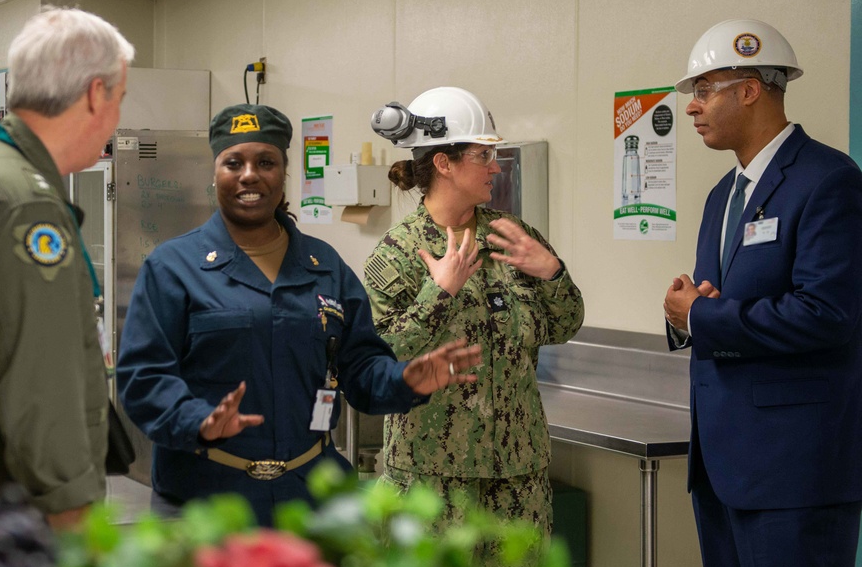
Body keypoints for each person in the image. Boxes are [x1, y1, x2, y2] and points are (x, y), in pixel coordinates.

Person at [115, 103, 482, 526]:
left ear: (283, 171)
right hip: (206, 503)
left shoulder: (323, 266)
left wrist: (405, 380)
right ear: (214, 173)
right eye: (233, 162)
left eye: (265, 162)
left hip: (310, 503)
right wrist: (198, 420)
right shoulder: (174, 267)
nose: (249, 174)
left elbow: (361, 367)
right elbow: (144, 378)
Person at [0, 7, 135, 530]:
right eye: (120, 99)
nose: (116, 117)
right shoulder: (26, 207)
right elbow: (42, 388)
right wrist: (72, 511)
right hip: (15, 513)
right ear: (94, 94)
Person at [664, 19, 862, 567]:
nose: (692, 107)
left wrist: (703, 315)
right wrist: (685, 317)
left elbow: (827, 315)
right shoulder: (721, 196)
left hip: (794, 472)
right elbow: (715, 303)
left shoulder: (827, 181)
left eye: (704, 91)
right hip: (723, 468)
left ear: (749, 90)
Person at [363, 87, 585, 543]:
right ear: (444, 163)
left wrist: (552, 274)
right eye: (484, 156)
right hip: (431, 479)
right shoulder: (398, 254)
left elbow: (564, 324)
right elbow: (376, 362)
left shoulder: (511, 235)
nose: (496, 167)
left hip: (517, 477)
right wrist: (438, 293)